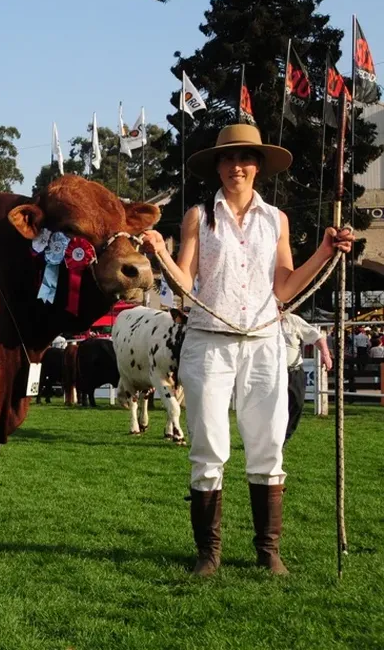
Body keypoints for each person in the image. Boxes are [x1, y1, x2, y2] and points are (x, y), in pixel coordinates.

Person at [141, 124, 353, 577]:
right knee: (209, 446)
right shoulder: (199, 216)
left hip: (264, 343)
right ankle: (208, 554)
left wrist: (326, 250)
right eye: (228, 158)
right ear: (216, 165)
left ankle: (268, 550)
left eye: (246, 158)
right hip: (208, 344)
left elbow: (286, 285)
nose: (237, 166)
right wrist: (159, 251)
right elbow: (183, 284)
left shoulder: (277, 219)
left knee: (267, 447)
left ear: (259, 166)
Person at [280, 313, 332, 443]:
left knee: (297, 404)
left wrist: (325, 354)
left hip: (294, 371)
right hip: (271, 374)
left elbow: (317, 337)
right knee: (271, 408)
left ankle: (284, 438)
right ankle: (271, 440)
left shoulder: (292, 319)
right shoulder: (261, 321)